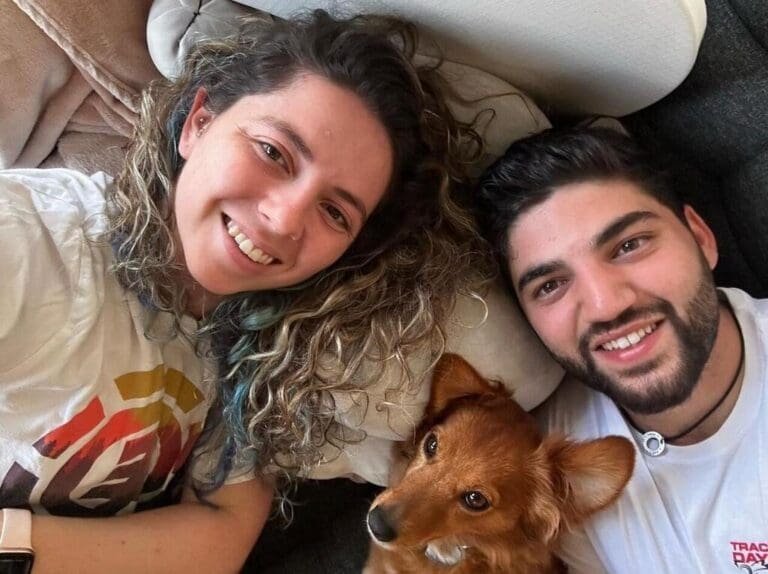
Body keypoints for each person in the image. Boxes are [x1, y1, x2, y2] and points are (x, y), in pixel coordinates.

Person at [0, 10, 484, 573]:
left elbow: (220, 535)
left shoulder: (267, 348)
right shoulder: (30, 238)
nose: (284, 218)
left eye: (334, 211)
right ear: (197, 123)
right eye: (274, 152)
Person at [476, 126, 767, 573]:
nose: (606, 305)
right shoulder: (539, 462)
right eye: (550, 285)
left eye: (630, 245)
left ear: (701, 238)